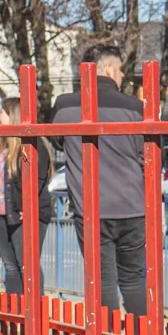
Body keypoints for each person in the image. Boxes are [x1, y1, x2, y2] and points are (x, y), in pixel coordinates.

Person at [49, 43, 147, 317]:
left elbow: (58, 142)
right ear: (107, 69)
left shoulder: (64, 106)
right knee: (133, 280)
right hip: (132, 206)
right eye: (119, 69)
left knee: (102, 282)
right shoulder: (136, 108)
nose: (123, 76)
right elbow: (146, 154)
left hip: (90, 209)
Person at [0, 98, 50, 298]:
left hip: (22, 214)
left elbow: (37, 178)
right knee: (10, 266)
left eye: (2, 112)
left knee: (26, 265)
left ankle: (32, 312)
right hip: (0, 215)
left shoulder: (32, 146)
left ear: (13, 116)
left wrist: (26, 205)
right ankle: (15, 314)